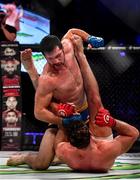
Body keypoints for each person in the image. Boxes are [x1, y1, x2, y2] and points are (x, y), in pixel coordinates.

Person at [6, 29, 110, 169]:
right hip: (63, 116)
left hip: (86, 111)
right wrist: (62, 120)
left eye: (58, 55)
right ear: (44, 57)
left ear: (62, 48)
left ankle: (59, 156)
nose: (56, 61)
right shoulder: (48, 78)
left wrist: (89, 38)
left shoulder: (67, 46)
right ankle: (25, 157)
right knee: (41, 164)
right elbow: (39, 111)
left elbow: (72, 31)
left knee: (103, 153)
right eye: (50, 59)